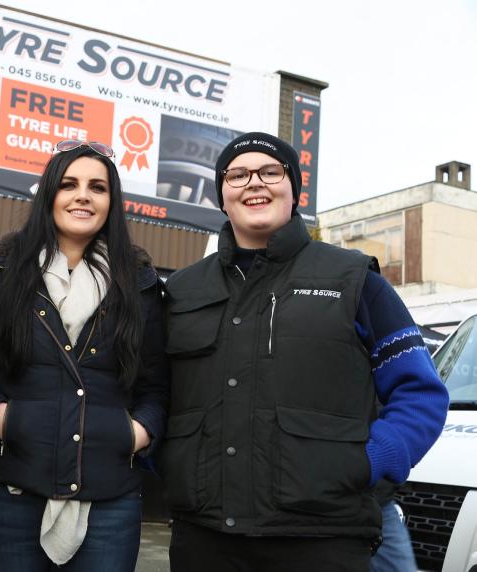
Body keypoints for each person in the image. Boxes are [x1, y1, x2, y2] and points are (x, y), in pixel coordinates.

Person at [162, 131, 449, 571]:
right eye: (237, 175)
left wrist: (372, 460)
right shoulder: (181, 291)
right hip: (204, 537)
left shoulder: (353, 279)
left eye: (270, 172)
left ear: (293, 189)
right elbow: (152, 392)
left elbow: (420, 393)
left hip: (324, 538)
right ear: (222, 195)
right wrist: (169, 461)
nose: (254, 182)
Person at [0, 140, 169, 571]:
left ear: (112, 201)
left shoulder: (143, 286)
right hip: (8, 493)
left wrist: (137, 433)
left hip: (109, 500)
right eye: (69, 184)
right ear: (49, 194)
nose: (83, 196)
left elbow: (157, 386)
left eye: (98, 187)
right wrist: (1, 419)